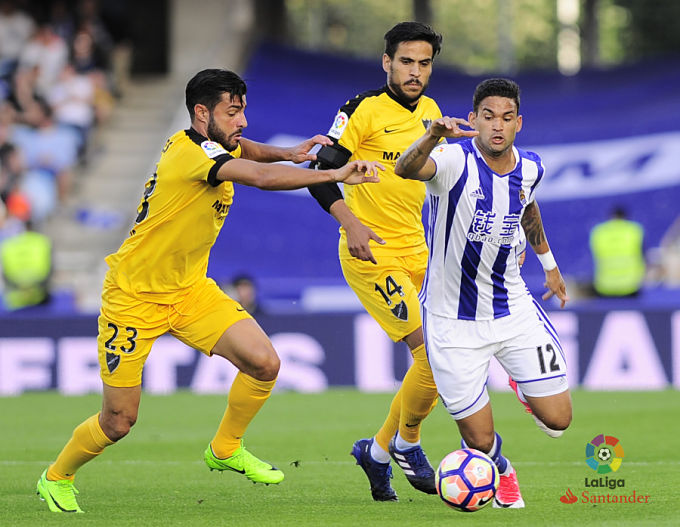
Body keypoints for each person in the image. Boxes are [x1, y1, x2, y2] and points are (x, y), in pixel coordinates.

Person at [35, 68, 382, 514]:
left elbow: (246, 150)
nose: (243, 121)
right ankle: (56, 477)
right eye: (232, 112)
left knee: (264, 363)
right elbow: (260, 177)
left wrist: (289, 153)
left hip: (189, 291)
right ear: (202, 113)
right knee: (119, 421)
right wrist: (331, 175)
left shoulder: (214, 145)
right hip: (134, 297)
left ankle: (225, 448)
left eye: (243, 111)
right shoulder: (191, 153)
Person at [394, 78, 572, 508]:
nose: (497, 126)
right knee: (480, 441)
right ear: (473, 119)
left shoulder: (531, 168)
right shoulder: (452, 160)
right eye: (488, 117)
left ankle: (520, 383)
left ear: (518, 124)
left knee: (558, 421)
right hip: (451, 322)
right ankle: (503, 470)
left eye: (506, 118)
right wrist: (432, 135)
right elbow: (405, 169)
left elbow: (528, 206)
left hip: (512, 311)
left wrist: (550, 265)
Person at [308, 21, 452, 501]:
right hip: (371, 251)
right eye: (406, 61)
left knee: (443, 354)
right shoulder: (361, 109)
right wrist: (350, 223)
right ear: (387, 62)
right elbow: (319, 172)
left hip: (419, 251)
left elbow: (443, 180)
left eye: (424, 63)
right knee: (431, 353)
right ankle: (407, 444)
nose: (415, 72)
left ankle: (377, 451)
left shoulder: (431, 113)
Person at [589, 206, 645, 297]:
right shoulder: (634, 230)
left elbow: (595, 255)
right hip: (630, 286)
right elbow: (643, 255)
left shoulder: (599, 232)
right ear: (626, 217)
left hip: (605, 286)